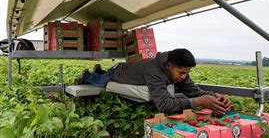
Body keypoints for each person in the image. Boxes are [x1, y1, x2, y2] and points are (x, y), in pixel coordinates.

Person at [75, 48, 231, 114]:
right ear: (169, 65)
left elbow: (193, 91)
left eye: (187, 73)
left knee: (101, 76)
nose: (184, 77)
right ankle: (88, 75)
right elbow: (164, 105)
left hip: (131, 71)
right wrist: (199, 102)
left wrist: (215, 96)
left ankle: (99, 71)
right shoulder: (154, 71)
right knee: (101, 81)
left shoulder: (178, 71)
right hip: (119, 72)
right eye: (181, 72)